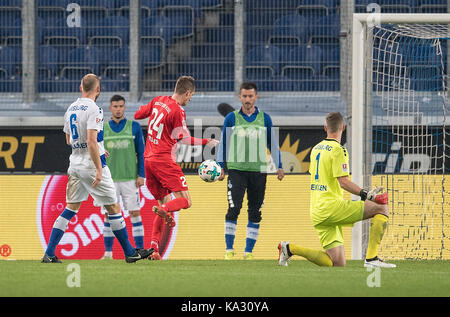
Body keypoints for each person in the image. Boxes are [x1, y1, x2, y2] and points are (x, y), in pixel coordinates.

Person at [41, 74, 152, 263]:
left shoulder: (71, 108)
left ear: (80, 87)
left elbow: (69, 140)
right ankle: (130, 253)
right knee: (114, 207)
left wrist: (98, 149)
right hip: (91, 166)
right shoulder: (95, 109)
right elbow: (92, 141)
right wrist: (99, 169)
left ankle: (49, 254)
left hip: (75, 163)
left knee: (71, 208)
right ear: (98, 89)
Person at [278, 112, 396, 268]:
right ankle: (372, 258)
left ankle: (289, 248)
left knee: (337, 263)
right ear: (344, 127)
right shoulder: (339, 150)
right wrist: (366, 195)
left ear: (325, 128)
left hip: (317, 210)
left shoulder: (316, 149)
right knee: (381, 207)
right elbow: (343, 182)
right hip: (331, 207)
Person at [134, 75, 219, 260]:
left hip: (148, 160)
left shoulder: (158, 100)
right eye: (191, 96)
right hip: (163, 160)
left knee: (163, 203)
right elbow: (185, 139)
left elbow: (138, 115)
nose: (190, 99)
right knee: (185, 201)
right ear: (187, 92)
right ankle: (164, 210)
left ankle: (154, 250)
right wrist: (207, 141)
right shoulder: (178, 111)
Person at [217, 82, 284, 260]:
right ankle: (229, 250)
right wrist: (220, 166)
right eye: (244, 96)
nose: (247, 99)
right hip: (236, 170)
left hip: (258, 171)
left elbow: (273, 144)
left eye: (250, 96)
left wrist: (279, 165)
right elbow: (224, 143)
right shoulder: (231, 118)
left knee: (255, 212)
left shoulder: (265, 119)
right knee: (234, 208)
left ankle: (248, 252)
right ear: (240, 97)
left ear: (256, 97)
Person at [100, 95, 146, 259]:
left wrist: (142, 175)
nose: (118, 109)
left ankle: (139, 250)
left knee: (135, 213)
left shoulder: (134, 127)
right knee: (109, 214)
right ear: (110, 108)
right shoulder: (102, 128)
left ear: (124, 107)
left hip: (129, 179)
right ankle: (108, 253)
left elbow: (141, 153)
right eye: (115, 106)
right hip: (109, 180)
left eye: (120, 106)